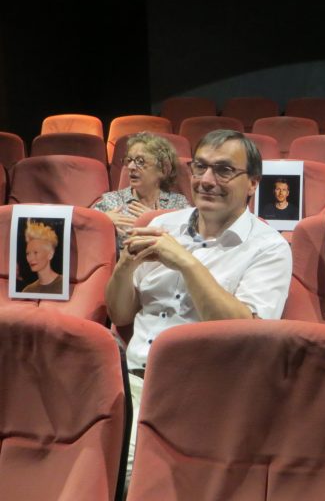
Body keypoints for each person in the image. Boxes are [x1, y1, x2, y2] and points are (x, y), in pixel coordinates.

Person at [105, 129, 292, 490]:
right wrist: (124, 266)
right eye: (200, 167)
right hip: (133, 381)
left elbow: (247, 336)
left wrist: (186, 263)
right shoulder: (162, 226)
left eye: (224, 170)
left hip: (207, 390)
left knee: (126, 473)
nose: (206, 180)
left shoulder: (269, 248)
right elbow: (121, 314)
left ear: (253, 183)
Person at [93, 132, 190, 249]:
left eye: (140, 161)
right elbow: (82, 229)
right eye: (129, 160)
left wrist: (157, 221)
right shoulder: (112, 201)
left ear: (163, 169)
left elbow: (192, 241)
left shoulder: (178, 204)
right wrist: (103, 221)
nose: (130, 167)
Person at [21, 221, 63, 294]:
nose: (30, 258)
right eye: (28, 253)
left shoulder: (65, 284)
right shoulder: (28, 291)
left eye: (36, 252)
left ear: (50, 254)